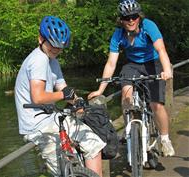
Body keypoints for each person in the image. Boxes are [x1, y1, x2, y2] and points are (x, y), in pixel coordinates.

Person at [15, 16, 106, 177]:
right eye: (52, 45)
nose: (56, 50)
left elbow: (63, 88)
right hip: (37, 126)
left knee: (94, 145)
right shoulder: (38, 60)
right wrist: (63, 95)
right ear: (40, 38)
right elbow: (37, 97)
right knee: (62, 173)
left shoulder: (52, 60)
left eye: (60, 47)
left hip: (52, 117)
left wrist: (78, 102)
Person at [88, 0, 175, 157]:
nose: (131, 20)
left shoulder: (148, 26)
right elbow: (111, 63)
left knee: (156, 104)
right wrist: (101, 89)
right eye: (126, 17)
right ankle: (130, 131)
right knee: (126, 98)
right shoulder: (118, 34)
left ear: (139, 17)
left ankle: (164, 138)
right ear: (121, 20)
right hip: (132, 65)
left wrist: (167, 70)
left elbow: (161, 49)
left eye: (134, 17)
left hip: (153, 63)